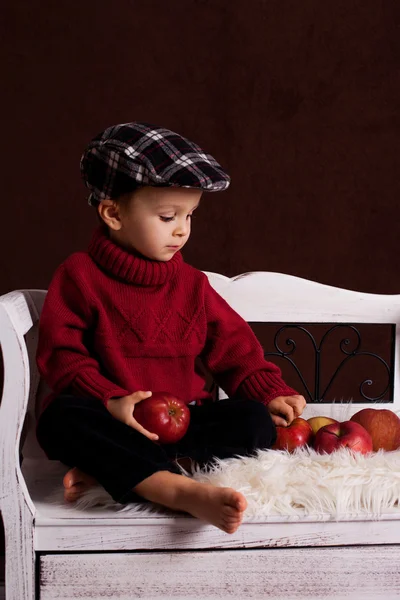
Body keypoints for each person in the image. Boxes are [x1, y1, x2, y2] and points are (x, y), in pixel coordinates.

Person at [36, 122, 306, 534]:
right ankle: (179, 491)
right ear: (113, 213)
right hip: (113, 421)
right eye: (167, 216)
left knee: (253, 422)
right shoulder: (79, 277)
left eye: (189, 215)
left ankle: (119, 472)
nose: (182, 229)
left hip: (183, 426)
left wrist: (268, 391)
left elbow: (234, 349)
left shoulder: (193, 285)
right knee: (60, 419)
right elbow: (62, 357)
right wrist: (111, 400)